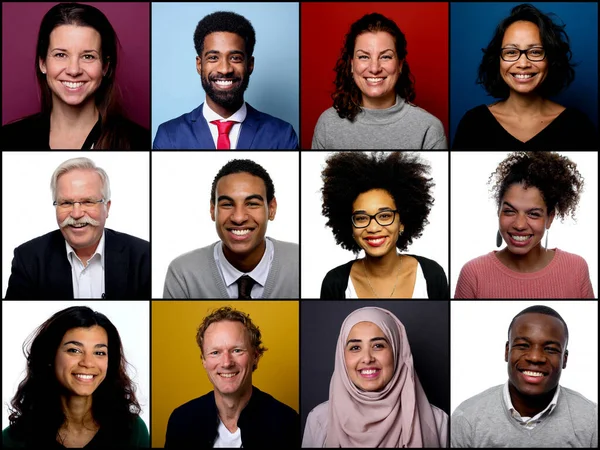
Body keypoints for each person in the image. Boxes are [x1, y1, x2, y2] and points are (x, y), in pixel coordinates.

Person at [0, 2, 149, 149]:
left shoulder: (140, 142)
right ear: (43, 63)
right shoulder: (8, 139)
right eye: (60, 54)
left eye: (88, 57)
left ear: (105, 67)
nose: (73, 70)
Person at [452, 3, 599, 149]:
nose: (523, 63)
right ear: (498, 60)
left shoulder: (578, 126)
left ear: (550, 59)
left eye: (535, 52)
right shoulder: (473, 123)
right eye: (511, 52)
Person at [2, 306, 149, 448]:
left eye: (99, 353)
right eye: (74, 350)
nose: (88, 363)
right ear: (49, 356)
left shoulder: (132, 431)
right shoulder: (13, 440)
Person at [452, 305, 597, 447]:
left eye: (550, 349)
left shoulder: (593, 420)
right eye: (523, 346)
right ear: (507, 351)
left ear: (564, 359)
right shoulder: (467, 418)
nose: (535, 357)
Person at [4, 157, 150, 299]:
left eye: (87, 202)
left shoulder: (143, 256)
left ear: (107, 208)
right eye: (66, 203)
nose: (76, 214)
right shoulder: (28, 258)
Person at [454, 151, 594, 299]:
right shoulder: (473, 274)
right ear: (499, 211)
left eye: (533, 214)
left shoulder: (576, 269)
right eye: (509, 211)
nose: (519, 225)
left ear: (549, 218)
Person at [302, 306, 448, 447]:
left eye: (378, 345)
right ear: (341, 356)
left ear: (397, 351)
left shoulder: (437, 421)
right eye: (355, 348)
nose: (367, 358)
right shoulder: (319, 420)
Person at [153, 11, 298, 149]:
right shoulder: (169, 136)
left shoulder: (282, 135)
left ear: (250, 65)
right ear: (199, 64)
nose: (224, 69)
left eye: (235, 58)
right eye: (213, 58)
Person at [165, 306, 299, 447]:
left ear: (255, 356)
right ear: (204, 360)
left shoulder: (287, 423)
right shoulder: (181, 421)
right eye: (215, 352)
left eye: (237, 350)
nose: (227, 363)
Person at [319, 152, 448, 299]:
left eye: (385, 216)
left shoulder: (431, 274)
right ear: (350, 226)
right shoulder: (335, 283)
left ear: (402, 222)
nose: (373, 228)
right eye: (361, 218)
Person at [163, 159, 298, 298]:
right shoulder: (183, 273)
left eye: (252, 204)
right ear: (212, 210)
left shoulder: (299, 262)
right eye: (227, 204)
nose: (238, 218)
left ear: (271, 208)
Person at [311, 12, 446, 149]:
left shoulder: (429, 128)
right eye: (364, 56)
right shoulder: (327, 124)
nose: (374, 68)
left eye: (385, 57)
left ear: (399, 65)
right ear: (351, 65)